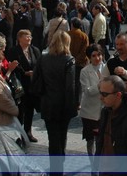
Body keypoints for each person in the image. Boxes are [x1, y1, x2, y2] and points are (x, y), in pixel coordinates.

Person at [32, 30, 78, 170]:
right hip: (63, 104)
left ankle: (55, 167)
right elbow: (70, 87)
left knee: (53, 138)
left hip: (48, 102)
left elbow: (35, 81)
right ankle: (59, 166)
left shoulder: (43, 58)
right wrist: (73, 107)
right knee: (62, 135)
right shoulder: (69, 60)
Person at [5, 29, 41, 142]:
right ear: (19, 38)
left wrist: (34, 73)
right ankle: (19, 134)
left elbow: (39, 65)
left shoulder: (35, 50)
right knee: (20, 110)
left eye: (30, 36)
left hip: (32, 84)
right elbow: (11, 67)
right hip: (19, 84)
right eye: (26, 36)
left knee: (30, 109)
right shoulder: (13, 51)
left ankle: (28, 132)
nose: (29, 38)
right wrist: (24, 73)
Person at [80, 43, 107, 156]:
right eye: (94, 56)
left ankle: (99, 160)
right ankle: (91, 161)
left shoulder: (106, 68)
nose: (97, 58)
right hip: (89, 111)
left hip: (103, 109)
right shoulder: (85, 71)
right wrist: (100, 85)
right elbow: (87, 91)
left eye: (99, 55)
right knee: (90, 139)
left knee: (101, 139)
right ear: (89, 57)